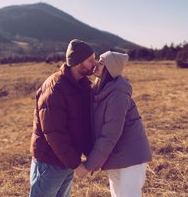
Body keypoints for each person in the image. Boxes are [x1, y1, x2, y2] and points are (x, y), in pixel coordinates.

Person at [76, 51, 152, 197]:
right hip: (114, 156)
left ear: (110, 69)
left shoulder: (117, 95)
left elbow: (109, 134)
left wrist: (89, 164)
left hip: (131, 157)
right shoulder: (98, 91)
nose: (96, 64)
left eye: (101, 62)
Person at [29, 39, 97, 197]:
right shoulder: (55, 89)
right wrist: (75, 164)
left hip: (67, 161)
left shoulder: (83, 86)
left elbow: (83, 125)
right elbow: (54, 132)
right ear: (79, 63)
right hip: (49, 163)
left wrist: (90, 156)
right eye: (91, 60)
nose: (95, 63)